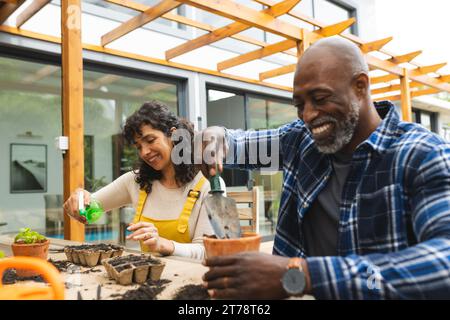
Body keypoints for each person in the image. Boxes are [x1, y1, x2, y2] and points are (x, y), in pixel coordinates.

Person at [200, 37, 450, 299]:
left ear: (360, 87)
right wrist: (217, 136)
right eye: (299, 105)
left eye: (319, 98)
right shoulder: (300, 142)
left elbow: (444, 264)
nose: (308, 115)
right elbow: (237, 145)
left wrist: (300, 275)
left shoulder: (422, 155)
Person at [64, 101, 222, 260]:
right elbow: (89, 212)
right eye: (138, 146)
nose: (144, 152)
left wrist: (164, 244)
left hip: (191, 279)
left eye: (150, 140)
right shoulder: (136, 182)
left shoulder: (208, 184)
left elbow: (208, 251)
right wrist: (78, 200)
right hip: (147, 279)